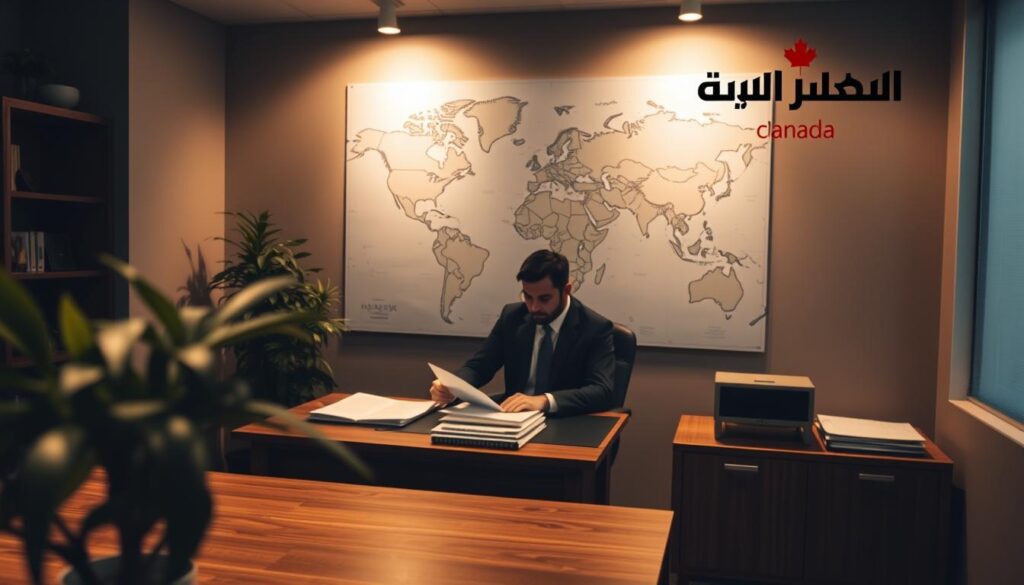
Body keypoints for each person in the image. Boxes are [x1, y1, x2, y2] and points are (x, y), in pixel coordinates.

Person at [429, 249, 615, 416]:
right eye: (527, 296)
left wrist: (544, 400)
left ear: (566, 290)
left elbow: (602, 390)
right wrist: (453, 386)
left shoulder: (594, 327)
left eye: (544, 299)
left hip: (566, 421)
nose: (534, 307)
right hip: (515, 420)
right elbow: (480, 366)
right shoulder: (512, 316)